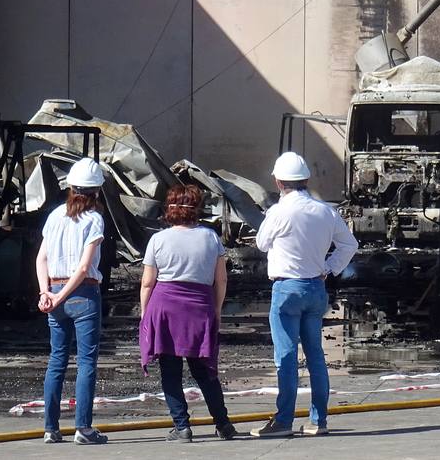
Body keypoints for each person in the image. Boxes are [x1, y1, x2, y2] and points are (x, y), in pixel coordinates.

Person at [250, 152, 358, 438]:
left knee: (285, 356)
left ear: (278, 181)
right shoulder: (325, 211)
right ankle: (318, 420)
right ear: (306, 180)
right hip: (316, 288)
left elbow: (261, 244)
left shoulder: (279, 212)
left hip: (286, 289)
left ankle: (284, 420)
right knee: (315, 356)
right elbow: (349, 244)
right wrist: (328, 268)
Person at [138, 185, 238, 443]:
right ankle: (223, 424)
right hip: (199, 306)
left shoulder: (158, 240)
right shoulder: (211, 237)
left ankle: (181, 426)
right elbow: (222, 280)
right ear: (197, 208)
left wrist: (145, 314)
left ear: (169, 209)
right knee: (205, 370)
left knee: (170, 370)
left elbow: (148, 282)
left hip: (165, 307)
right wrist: (215, 310)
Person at [36, 157, 109, 445]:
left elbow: (41, 257)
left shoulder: (54, 216)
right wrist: (63, 294)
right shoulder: (95, 220)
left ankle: (50, 428)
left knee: (56, 360)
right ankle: (84, 428)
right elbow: (83, 267)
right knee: (86, 362)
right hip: (84, 294)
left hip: (54, 291)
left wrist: (47, 294)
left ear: (70, 188)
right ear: (97, 192)